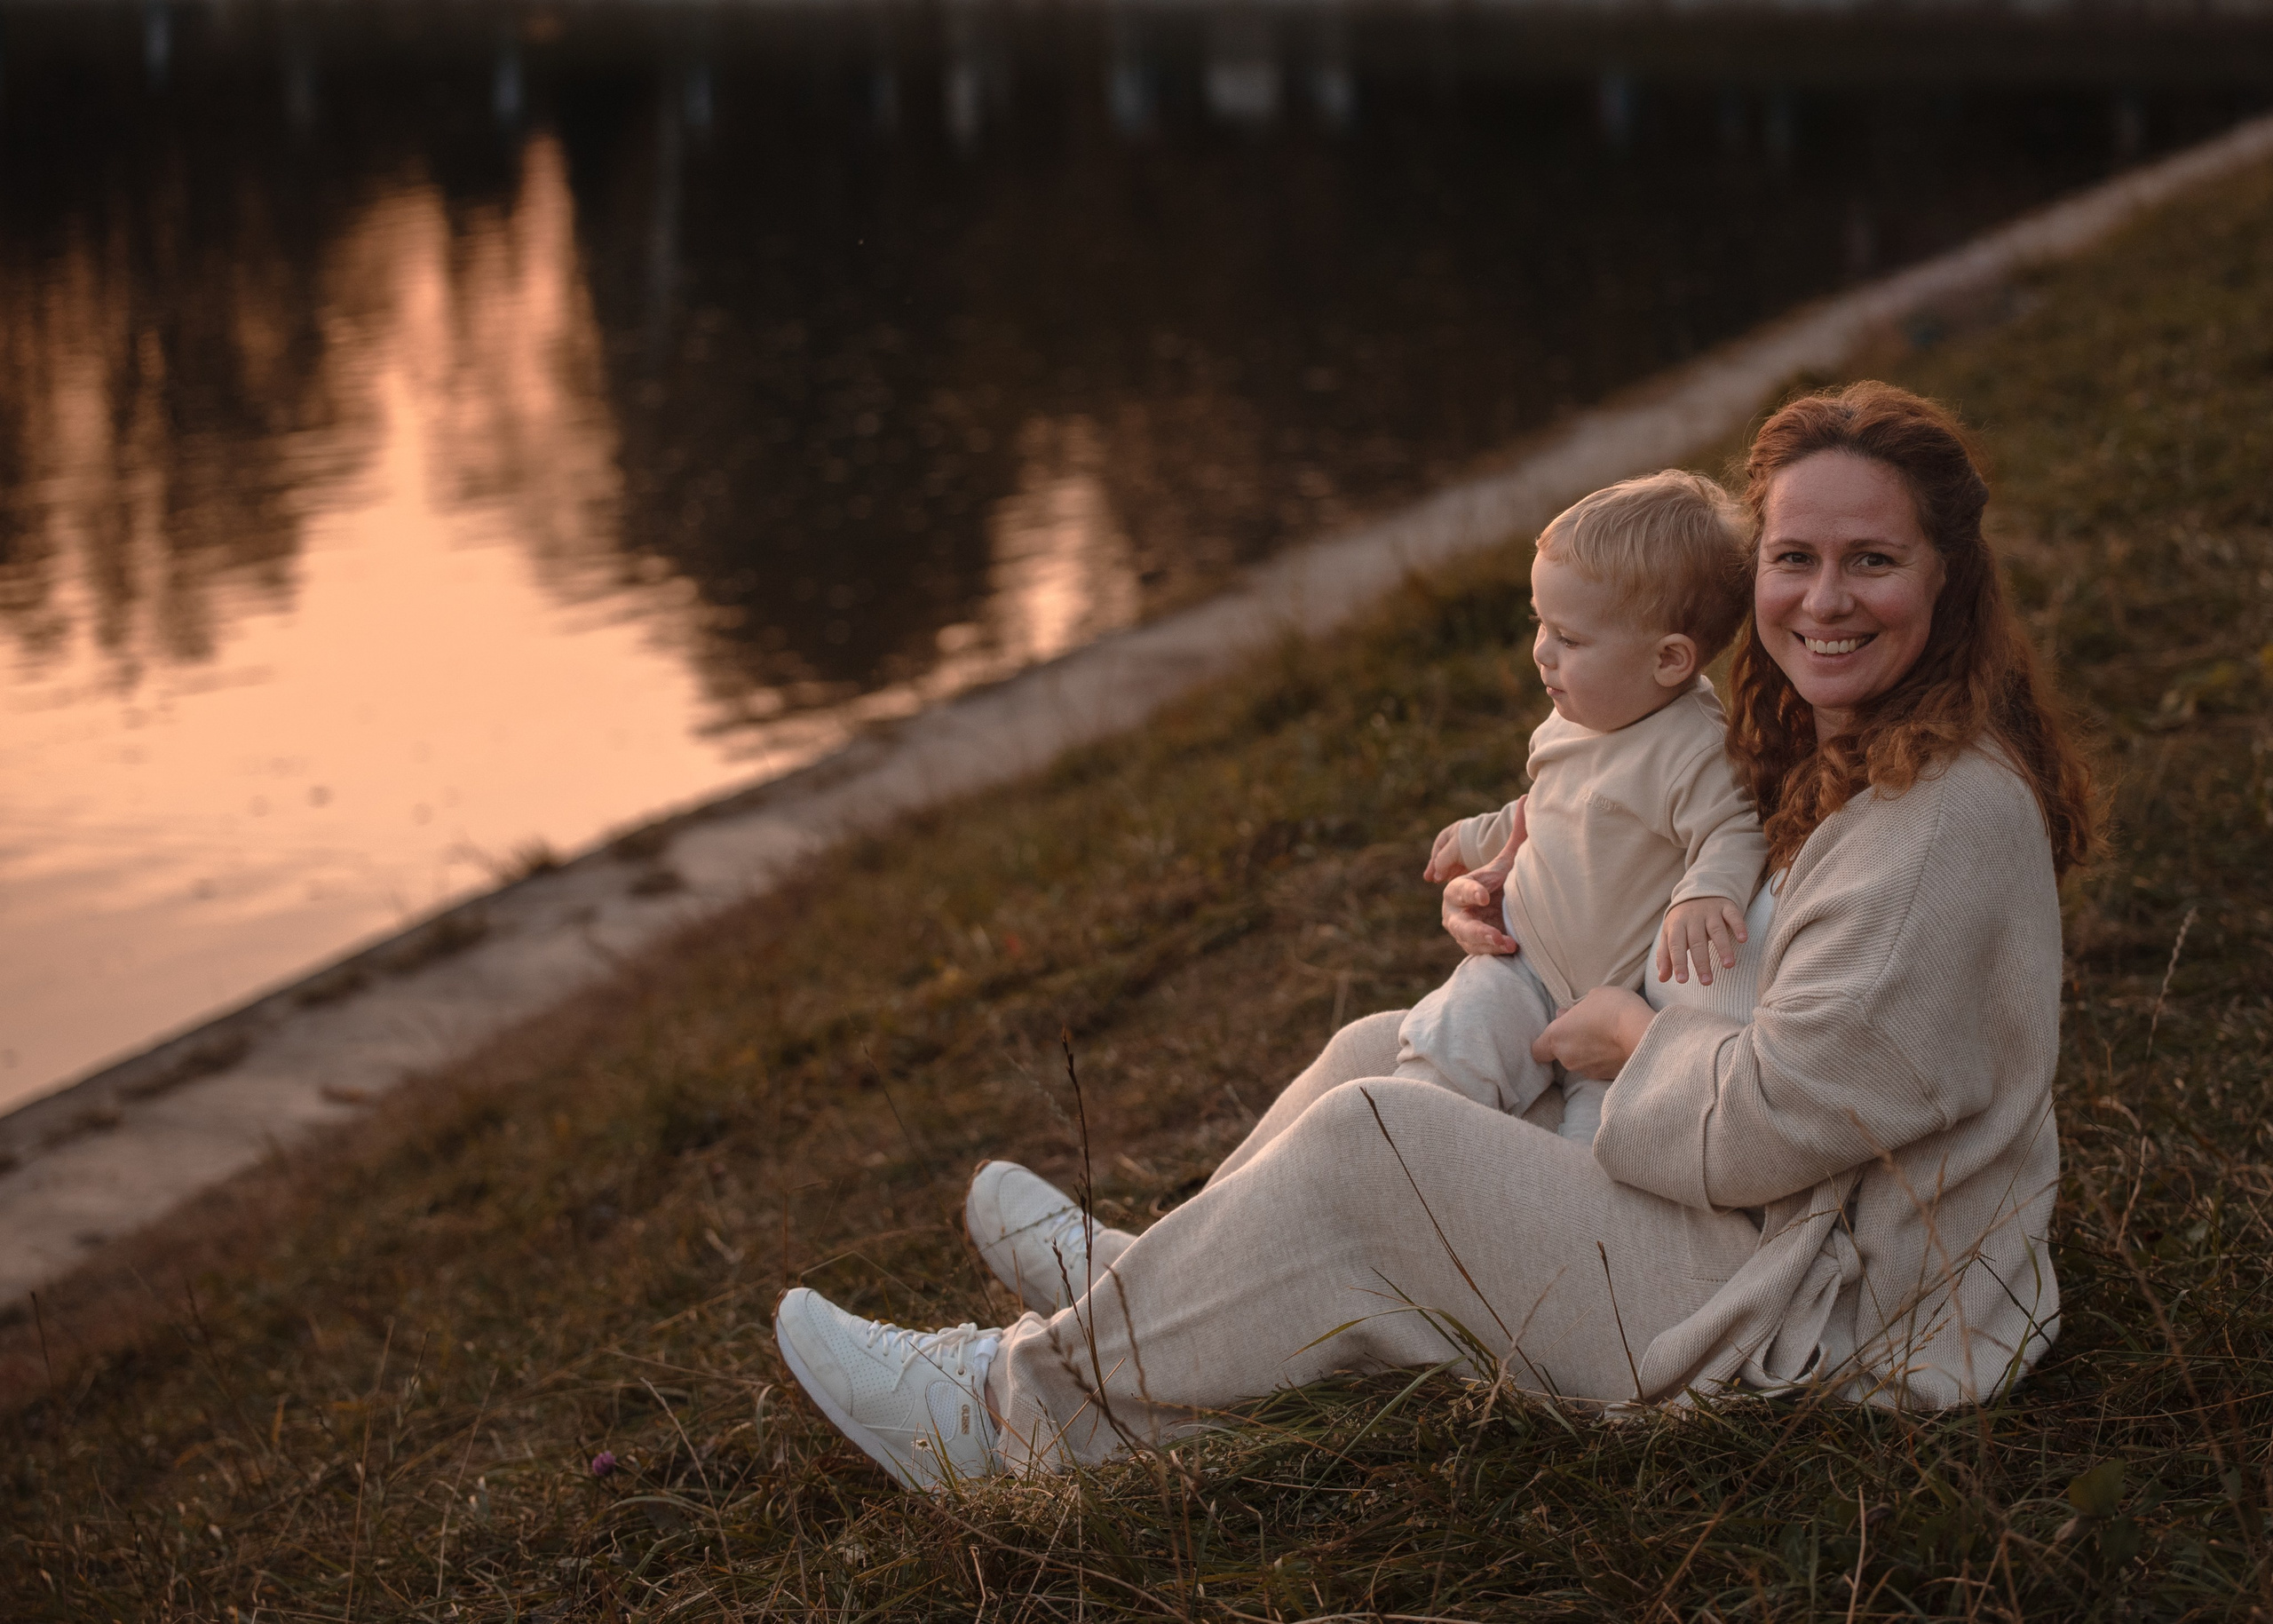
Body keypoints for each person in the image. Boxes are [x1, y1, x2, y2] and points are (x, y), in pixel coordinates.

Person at [771, 382, 2099, 1492]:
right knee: (1373, 1049)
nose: (1826, 598)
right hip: (1767, 1233)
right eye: (1792, 559)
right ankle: (1149, 1291)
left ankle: (1016, 1417)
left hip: (1831, 1319)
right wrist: (1520, 900)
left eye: (1873, 560)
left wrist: (1633, 1034)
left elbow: (1767, 1120)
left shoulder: (1942, 822)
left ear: (1949, 575)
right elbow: (1714, 920)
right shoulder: (1846, 744)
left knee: (1380, 1143)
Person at [1396, 468, 1766, 1148]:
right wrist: (1478, 837)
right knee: (1449, 1048)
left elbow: (1734, 826)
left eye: (1570, 638)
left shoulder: (1691, 747)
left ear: (1669, 660)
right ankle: (1405, 1142)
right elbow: (1548, 808)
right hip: (1523, 960)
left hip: (1612, 1009)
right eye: (1541, 623)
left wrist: (1707, 891)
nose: (1542, 651)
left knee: (1598, 1150)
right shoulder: (1571, 720)